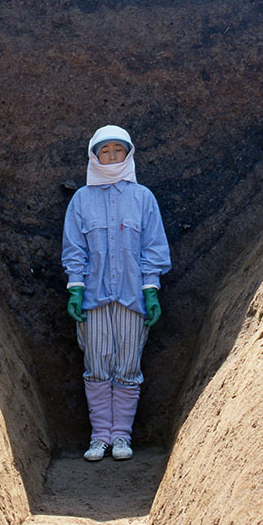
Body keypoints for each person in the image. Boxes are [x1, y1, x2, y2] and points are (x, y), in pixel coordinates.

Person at [61, 125, 171, 462]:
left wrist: (151, 291)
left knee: (126, 366)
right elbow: (74, 248)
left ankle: (122, 436)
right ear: (94, 156)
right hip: (94, 297)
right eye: (105, 150)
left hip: (131, 298)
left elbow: (152, 247)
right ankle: (100, 437)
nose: (112, 155)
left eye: (118, 150)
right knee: (96, 366)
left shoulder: (142, 198)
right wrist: (75, 290)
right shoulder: (82, 199)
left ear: (128, 154)